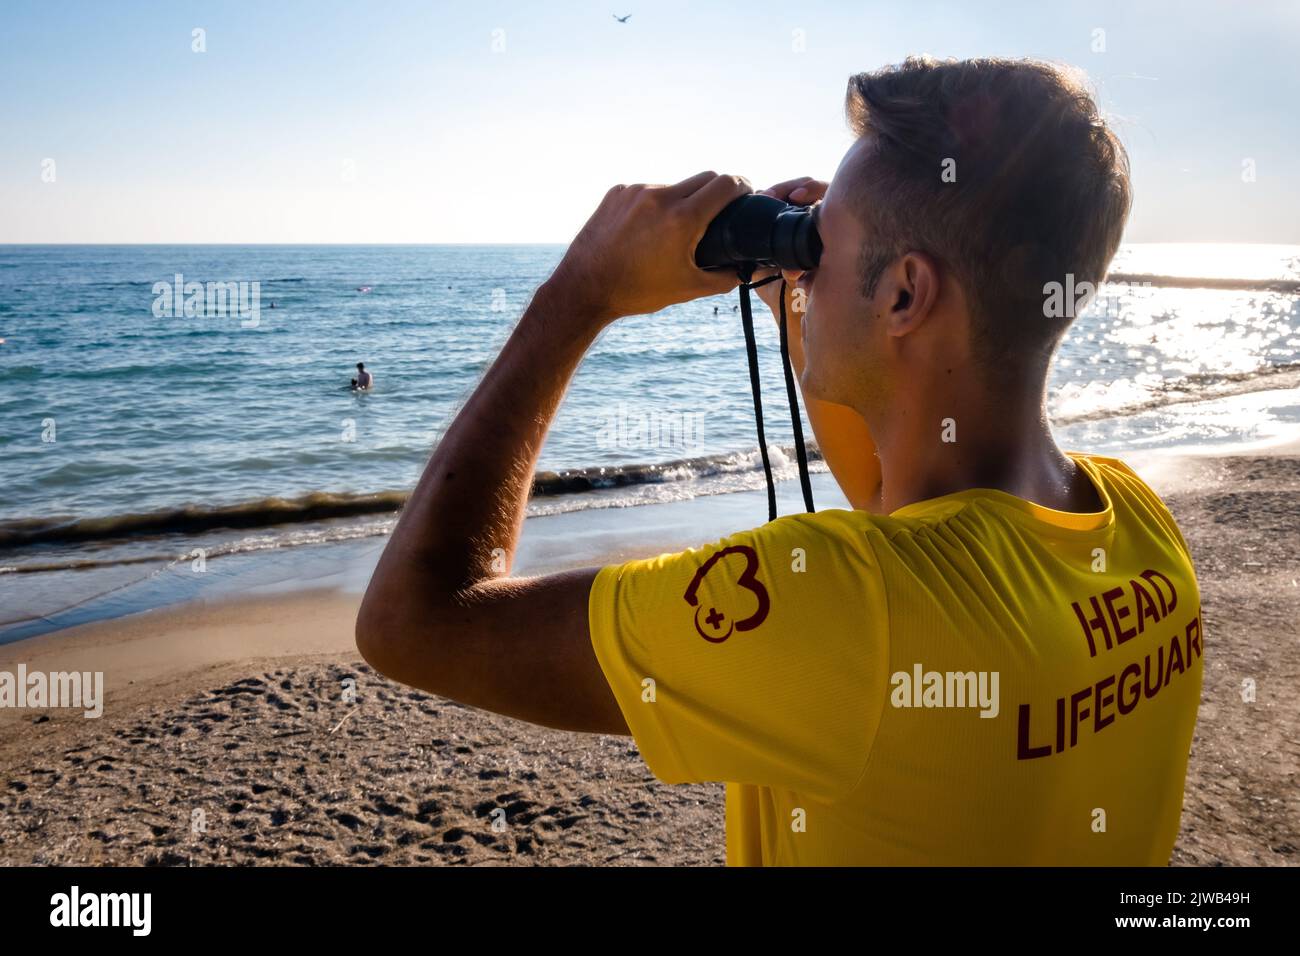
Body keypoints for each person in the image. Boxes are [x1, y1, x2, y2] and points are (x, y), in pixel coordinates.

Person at [356, 57, 1203, 866]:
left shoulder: (840, 605)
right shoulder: (1135, 526)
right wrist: (797, 297)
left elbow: (415, 623)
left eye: (818, 245)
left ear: (905, 294)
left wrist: (577, 295)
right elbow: (895, 505)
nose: (803, 264)